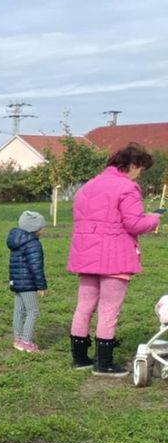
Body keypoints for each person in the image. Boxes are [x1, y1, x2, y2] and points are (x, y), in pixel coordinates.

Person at [67, 144, 161, 376]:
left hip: (86, 254)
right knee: (109, 309)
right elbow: (134, 223)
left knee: (84, 307)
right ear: (132, 165)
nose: (140, 174)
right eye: (140, 169)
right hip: (114, 256)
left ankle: (80, 358)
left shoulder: (89, 185)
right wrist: (154, 219)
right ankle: (104, 362)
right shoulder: (128, 188)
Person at [8, 210, 48, 353]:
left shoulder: (17, 241)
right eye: (42, 227)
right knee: (33, 311)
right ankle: (26, 341)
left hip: (17, 282)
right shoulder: (33, 244)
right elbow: (36, 267)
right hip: (28, 283)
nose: (43, 229)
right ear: (35, 229)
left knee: (19, 310)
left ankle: (18, 339)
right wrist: (41, 286)